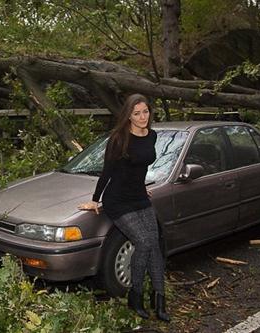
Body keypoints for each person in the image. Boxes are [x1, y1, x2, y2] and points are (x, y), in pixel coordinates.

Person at [78, 94, 170, 322]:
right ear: (128, 115)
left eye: (145, 112)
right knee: (144, 241)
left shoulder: (152, 135)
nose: (142, 117)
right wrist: (95, 199)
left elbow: (138, 168)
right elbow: (107, 172)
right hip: (117, 200)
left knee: (154, 243)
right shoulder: (118, 139)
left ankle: (159, 298)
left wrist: (142, 186)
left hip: (139, 196)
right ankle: (135, 295)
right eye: (136, 113)